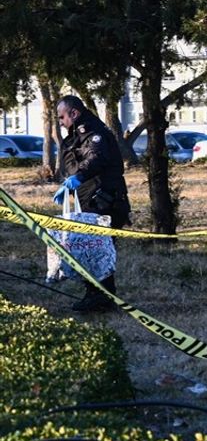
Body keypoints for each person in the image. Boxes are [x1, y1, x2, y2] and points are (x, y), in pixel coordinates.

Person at [52, 95, 129, 313]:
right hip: (89, 200)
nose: (61, 121)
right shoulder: (77, 135)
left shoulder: (94, 133)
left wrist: (79, 177)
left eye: (62, 117)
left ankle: (103, 299)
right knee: (88, 248)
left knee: (98, 251)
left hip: (105, 201)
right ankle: (94, 294)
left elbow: (96, 158)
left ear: (74, 113)